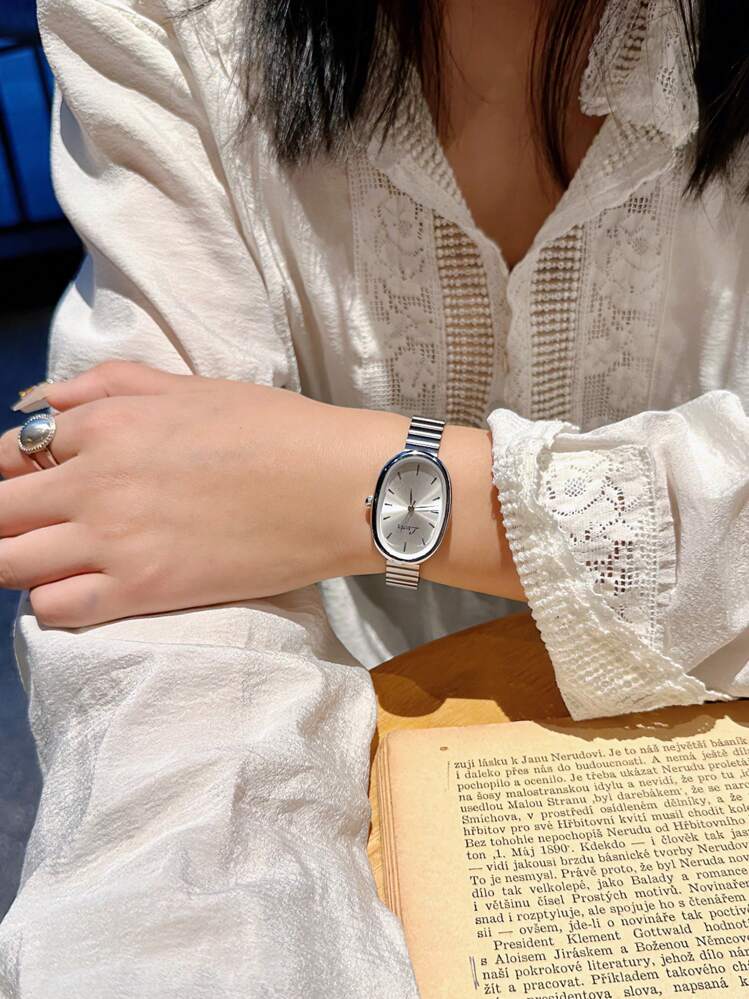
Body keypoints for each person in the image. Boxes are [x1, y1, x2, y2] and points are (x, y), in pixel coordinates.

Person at [0, 0, 746, 994]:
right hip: (364, 734)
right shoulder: (159, 16)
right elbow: (175, 664)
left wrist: (357, 484)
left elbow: (189, 493)